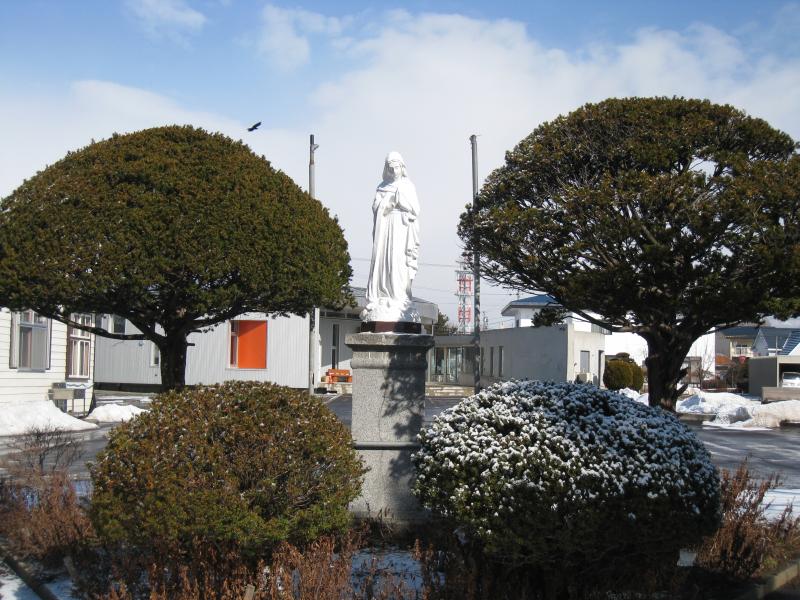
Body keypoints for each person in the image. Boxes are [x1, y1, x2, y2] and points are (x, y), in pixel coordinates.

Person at [363, 151, 420, 322]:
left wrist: (400, 202)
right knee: (384, 262)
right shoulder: (382, 186)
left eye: (397, 167)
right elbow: (376, 207)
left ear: (402, 167)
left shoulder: (408, 186)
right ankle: (384, 294)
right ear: (387, 169)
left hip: (401, 229)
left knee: (398, 261)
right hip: (386, 228)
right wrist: (386, 205)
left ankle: (399, 296)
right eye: (391, 167)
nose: (394, 171)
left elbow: (415, 209)